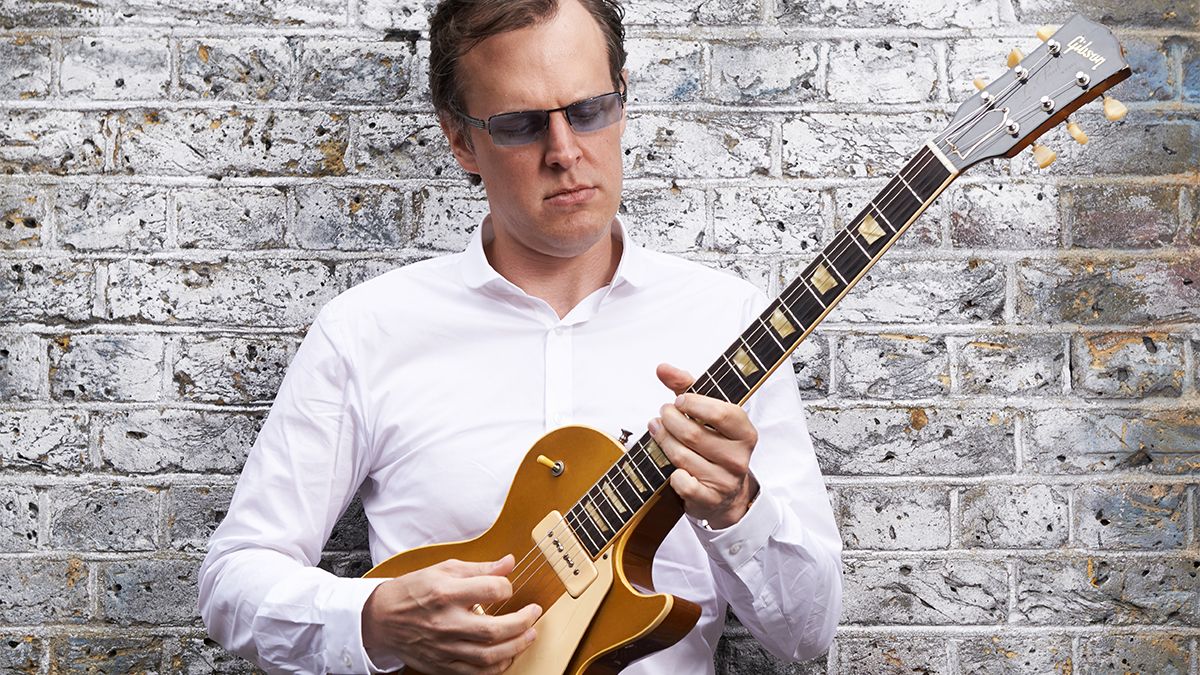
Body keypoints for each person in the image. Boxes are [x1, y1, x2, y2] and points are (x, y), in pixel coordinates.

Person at [197, 0, 842, 672]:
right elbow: (234, 577)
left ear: (623, 99)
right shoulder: (367, 331)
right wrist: (375, 619)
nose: (565, 152)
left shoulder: (727, 325)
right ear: (460, 140)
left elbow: (806, 634)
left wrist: (738, 507)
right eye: (521, 125)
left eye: (590, 110)